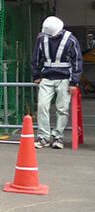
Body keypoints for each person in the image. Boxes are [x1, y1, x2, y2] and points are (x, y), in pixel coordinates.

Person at [31, 16, 82, 149]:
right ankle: (44, 137)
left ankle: (58, 137)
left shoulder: (70, 39)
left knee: (62, 109)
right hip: (47, 77)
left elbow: (77, 60)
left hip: (64, 78)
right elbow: (36, 56)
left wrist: (74, 82)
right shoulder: (42, 38)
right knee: (42, 106)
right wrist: (36, 74)